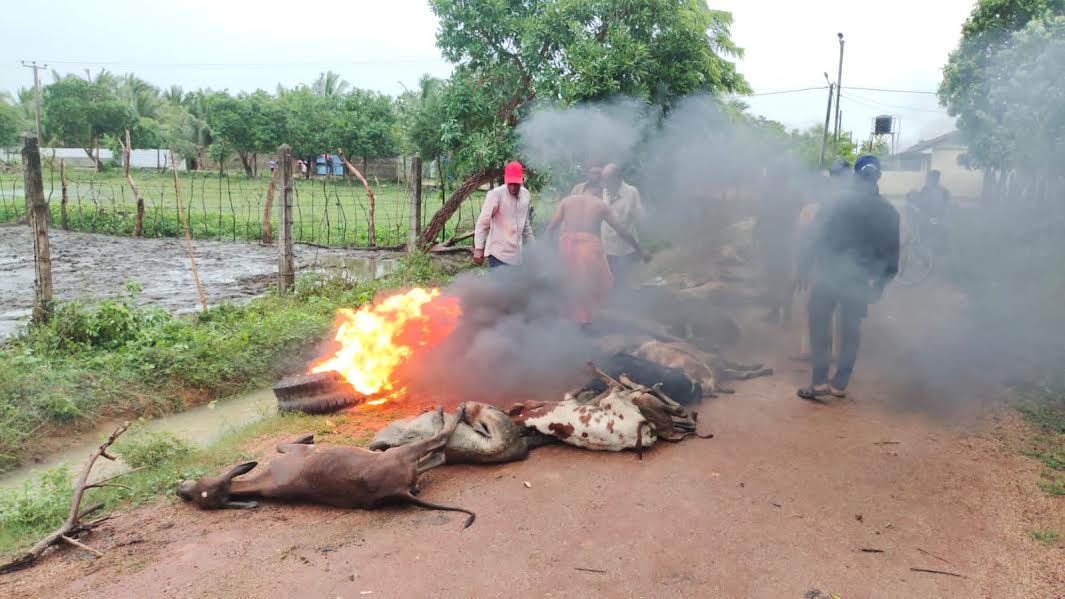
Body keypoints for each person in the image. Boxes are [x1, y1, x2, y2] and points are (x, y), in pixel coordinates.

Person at [796, 155, 899, 400]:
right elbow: (891, 254)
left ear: (855, 176)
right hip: (859, 279)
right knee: (851, 329)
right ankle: (840, 383)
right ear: (878, 177)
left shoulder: (836, 202)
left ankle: (819, 382)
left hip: (829, 273)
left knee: (819, 323)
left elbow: (814, 236)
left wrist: (804, 267)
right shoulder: (889, 212)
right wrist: (880, 284)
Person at [545, 192, 650, 325]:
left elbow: (551, 228)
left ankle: (570, 321)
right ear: (599, 191)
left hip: (567, 246)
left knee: (569, 282)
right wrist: (640, 250)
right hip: (588, 247)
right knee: (594, 284)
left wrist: (546, 253)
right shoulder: (601, 205)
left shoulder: (567, 201)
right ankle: (585, 321)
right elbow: (621, 231)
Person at [754, 164, 803, 325]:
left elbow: (761, 217)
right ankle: (780, 312)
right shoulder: (790, 192)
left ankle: (780, 313)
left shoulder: (773, 193)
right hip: (780, 240)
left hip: (779, 241)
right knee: (778, 277)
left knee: (778, 278)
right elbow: (761, 216)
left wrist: (757, 235)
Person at [473, 161, 535, 269]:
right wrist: (478, 248)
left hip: (517, 257)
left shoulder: (526, 195)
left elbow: (525, 225)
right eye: (510, 184)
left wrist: (534, 247)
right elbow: (483, 222)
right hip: (498, 256)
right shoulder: (496, 194)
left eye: (516, 184)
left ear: (522, 180)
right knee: (498, 281)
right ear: (505, 180)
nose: (513, 188)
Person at [600, 164, 646, 284]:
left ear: (617, 178)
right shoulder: (604, 191)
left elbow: (640, 216)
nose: (604, 184)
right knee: (611, 282)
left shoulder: (631, 192)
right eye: (603, 179)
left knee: (627, 281)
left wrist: (641, 248)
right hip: (607, 246)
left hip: (625, 247)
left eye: (607, 180)